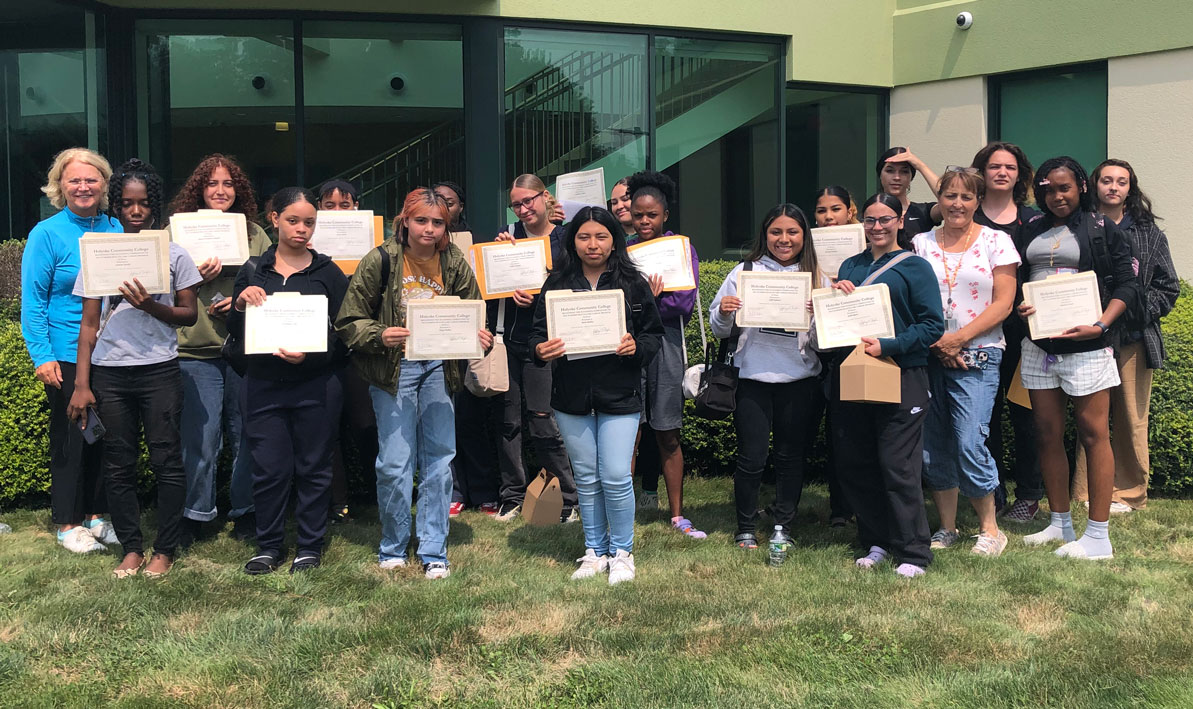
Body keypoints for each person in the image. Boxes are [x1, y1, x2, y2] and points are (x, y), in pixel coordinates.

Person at [336, 188, 491, 579]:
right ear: (404, 220)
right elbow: (348, 321)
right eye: (421, 220)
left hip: (440, 366)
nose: (429, 229)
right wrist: (380, 334)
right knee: (394, 462)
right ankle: (393, 545)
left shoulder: (454, 260)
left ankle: (434, 549)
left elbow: (473, 314)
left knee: (440, 460)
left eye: (438, 222)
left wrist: (480, 338)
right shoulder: (382, 260)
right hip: (395, 368)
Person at [68, 159, 202, 578]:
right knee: (118, 462)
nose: (135, 211)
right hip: (109, 372)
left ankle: (165, 548)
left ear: (154, 206)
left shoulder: (176, 254)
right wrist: (82, 384)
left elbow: (189, 315)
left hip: (159, 370)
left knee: (167, 460)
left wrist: (150, 305)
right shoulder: (99, 252)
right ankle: (131, 547)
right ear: (117, 207)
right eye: (126, 204)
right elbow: (89, 324)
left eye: (143, 204)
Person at [530, 206, 663, 584]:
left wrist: (634, 347)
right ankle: (594, 550)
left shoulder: (632, 283)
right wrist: (542, 350)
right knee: (587, 478)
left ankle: (622, 552)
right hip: (571, 396)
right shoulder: (557, 283)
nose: (593, 244)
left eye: (601, 236)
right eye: (584, 236)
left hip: (620, 394)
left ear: (613, 240)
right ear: (572, 241)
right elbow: (536, 337)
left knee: (618, 475)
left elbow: (653, 336)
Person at [1016, 156, 1137, 560]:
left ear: (1081, 187)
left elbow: (1127, 285)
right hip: (1040, 346)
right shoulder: (1031, 228)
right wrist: (1021, 306)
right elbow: (1018, 281)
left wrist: (1101, 326)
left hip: (1087, 346)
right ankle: (1060, 523)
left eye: (1064, 188)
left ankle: (1098, 537)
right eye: (1047, 189)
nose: (1055, 196)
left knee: (1092, 434)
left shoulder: (1102, 228)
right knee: (1047, 436)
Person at [228, 187, 348, 575]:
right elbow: (233, 331)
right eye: (293, 220)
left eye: (309, 222)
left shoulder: (329, 273)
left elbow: (344, 334)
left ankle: (310, 547)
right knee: (269, 468)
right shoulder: (252, 270)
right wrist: (240, 302)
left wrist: (312, 354)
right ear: (274, 218)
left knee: (314, 467)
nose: (301, 229)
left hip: (315, 384)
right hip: (262, 384)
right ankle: (269, 546)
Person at [826, 193, 944, 578]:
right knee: (857, 463)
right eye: (871, 220)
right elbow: (842, 321)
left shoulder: (915, 267)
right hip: (856, 370)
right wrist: (830, 303)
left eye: (885, 219)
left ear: (900, 219)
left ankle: (913, 551)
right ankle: (876, 540)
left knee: (898, 465)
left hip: (902, 372)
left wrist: (889, 345)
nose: (877, 227)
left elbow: (931, 326)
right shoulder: (851, 264)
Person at [912, 168, 1020, 557]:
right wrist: (939, 343)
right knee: (933, 444)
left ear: (977, 200)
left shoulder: (997, 242)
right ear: (938, 198)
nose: (957, 203)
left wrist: (958, 339)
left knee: (969, 440)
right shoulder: (920, 243)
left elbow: (1004, 303)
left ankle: (991, 530)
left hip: (979, 353)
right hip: (929, 354)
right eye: (950, 195)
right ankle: (947, 527)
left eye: (966, 197)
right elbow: (911, 299)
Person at [20, 148, 121, 554]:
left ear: (104, 185)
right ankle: (67, 521)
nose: (83, 186)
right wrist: (41, 355)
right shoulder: (47, 233)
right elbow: (33, 301)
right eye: (74, 180)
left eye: (91, 179)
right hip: (63, 352)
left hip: (112, 352)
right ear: (59, 186)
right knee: (71, 438)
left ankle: (98, 517)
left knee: (106, 437)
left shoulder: (116, 228)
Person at [168, 154, 272, 544]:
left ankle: (246, 510)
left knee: (247, 433)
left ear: (238, 190)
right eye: (212, 183)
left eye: (228, 184)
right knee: (201, 436)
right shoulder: (175, 232)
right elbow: (162, 289)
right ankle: (194, 515)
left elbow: (271, 285)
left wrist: (241, 301)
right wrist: (193, 277)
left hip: (243, 347)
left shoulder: (255, 234)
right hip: (195, 351)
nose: (220, 190)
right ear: (199, 188)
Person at [711, 204, 822, 550]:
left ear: (804, 237)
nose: (784, 239)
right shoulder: (744, 271)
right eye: (776, 232)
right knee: (751, 457)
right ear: (765, 235)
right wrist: (726, 312)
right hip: (752, 377)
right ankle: (745, 525)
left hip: (800, 380)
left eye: (792, 232)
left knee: (791, 457)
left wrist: (819, 315)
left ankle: (783, 525)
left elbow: (824, 342)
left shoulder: (818, 277)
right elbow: (718, 329)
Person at [1072, 160, 1180, 512]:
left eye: (1121, 182)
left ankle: (1131, 493)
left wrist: (1136, 310)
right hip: (1089, 336)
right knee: (1091, 416)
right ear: (1095, 185)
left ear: (1130, 188)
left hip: (1134, 336)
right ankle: (1086, 492)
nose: (1113, 187)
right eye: (1106, 180)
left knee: (1132, 417)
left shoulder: (1149, 233)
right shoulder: (1079, 227)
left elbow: (1168, 287)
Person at [490, 174, 579, 523]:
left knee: (543, 420)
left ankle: (568, 498)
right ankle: (513, 495)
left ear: (546, 198)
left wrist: (539, 296)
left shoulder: (566, 238)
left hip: (547, 344)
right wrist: (496, 256)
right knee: (507, 422)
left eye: (530, 200)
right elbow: (485, 284)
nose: (524, 209)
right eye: (517, 203)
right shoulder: (505, 234)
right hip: (509, 340)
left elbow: (575, 287)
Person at [624, 170, 704, 539]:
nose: (644, 221)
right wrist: (644, 300)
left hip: (666, 345)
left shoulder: (681, 250)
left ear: (665, 215)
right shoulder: (622, 251)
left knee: (667, 431)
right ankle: (620, 510)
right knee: (627, 432)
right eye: (638, 214)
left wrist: (650, 299)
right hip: (627, 343)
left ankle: (676, 514)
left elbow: (682, 303)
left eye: (651, 215)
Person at [968, 142, 1044, 522]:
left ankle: (1029, 494)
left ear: (1020, 174)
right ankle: (992, 491)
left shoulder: (1034, 221)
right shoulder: (967, 217)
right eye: (993, 166)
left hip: (1024, 332)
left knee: (1025, 415)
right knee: (985, 415)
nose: (1001, 172)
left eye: (1009, 167)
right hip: (977, 332)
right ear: (981, 172)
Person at [432, 180, 502, 518]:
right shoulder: (418, 245)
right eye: (438, 201)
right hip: (431, 340)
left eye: (451, 202)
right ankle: (455, 491)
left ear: (460, 208)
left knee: (472, 421)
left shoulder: (477, 245)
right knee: (444, 423)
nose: (445, 207)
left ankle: (486, 491)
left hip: (465, 340)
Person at [314, 179, 379, 525]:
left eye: (345, 204)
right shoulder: (309, 249)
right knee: (328, 430)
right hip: (321, 348)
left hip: (361, 351)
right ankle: (336, 503)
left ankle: (379, 493)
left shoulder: (374, 247)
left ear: (357, 208)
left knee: (366, 425)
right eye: (329, 205)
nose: (337, 211)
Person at [810, 184, 859, 526]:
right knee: (834, 433)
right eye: (822, 210)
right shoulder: (806, 248)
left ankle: (862, 504)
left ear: (850, 211)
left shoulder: (866, 246)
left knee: (856, 431)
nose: (828, 217)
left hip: (853, 345)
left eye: (835, 209)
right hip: (816, 349)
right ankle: (840, 508)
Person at [877, 147, 941, 242]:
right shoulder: (870, 213)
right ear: (880, 175)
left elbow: (950, 199)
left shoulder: (923, 211)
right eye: (890, 171)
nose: (897, 177)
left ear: (911, 177)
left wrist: (920, 166)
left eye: (904, 172)